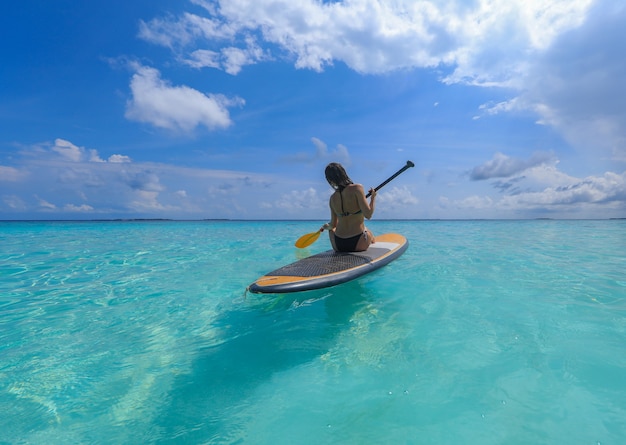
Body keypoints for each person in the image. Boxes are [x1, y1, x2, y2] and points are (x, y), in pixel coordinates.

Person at [320, 163, 376, 252]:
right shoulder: (357, 188)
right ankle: (371, 238)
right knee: (368, 232)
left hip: (339, 245)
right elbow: (368, 215)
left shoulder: (332, 198)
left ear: (329, 179)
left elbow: (333, 225)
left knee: (331, 230)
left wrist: (326, 226)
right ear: (343, 173)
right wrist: (373, 197)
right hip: (358, 243)